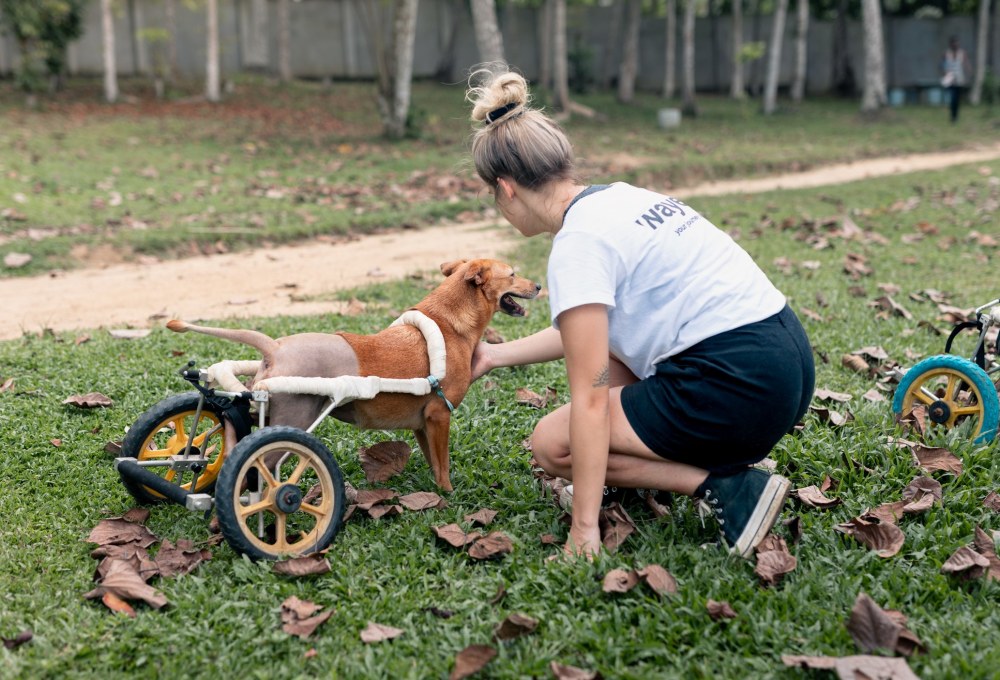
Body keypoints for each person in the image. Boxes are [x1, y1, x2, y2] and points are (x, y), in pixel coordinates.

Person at [465, 65, 815, 560]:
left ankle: (728, 489)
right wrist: (497, 357)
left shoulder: (577, 245)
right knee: (619, 363)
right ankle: (637, 480)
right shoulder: (620, 199)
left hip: (739, 388)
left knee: (552, 443)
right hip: (787, 361)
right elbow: (587, 333)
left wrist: (583, 531)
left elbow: (590, 398)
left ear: (506, 189)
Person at [941, 36, 971, 123]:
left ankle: (955, 116)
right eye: (953, 43)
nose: (955, 45)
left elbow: (966, 63)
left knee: (957, 99)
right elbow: (941, 65)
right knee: (952, 98)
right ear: (950, 44)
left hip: (959, 79)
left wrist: (969, 72)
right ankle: (952, 115)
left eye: (957, 43)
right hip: (949, 78)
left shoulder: (962, 53)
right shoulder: (946, 53)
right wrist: (944, 73)